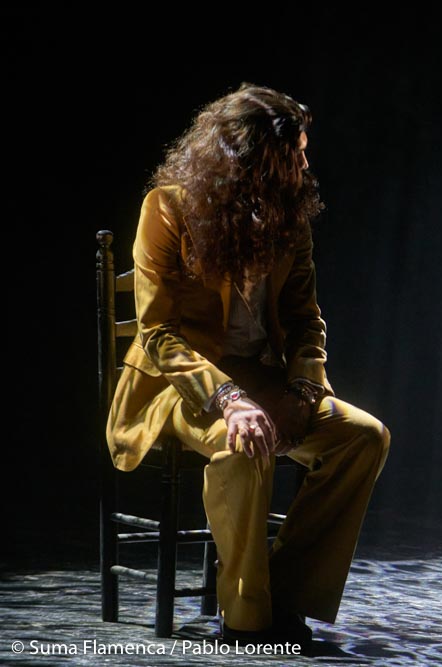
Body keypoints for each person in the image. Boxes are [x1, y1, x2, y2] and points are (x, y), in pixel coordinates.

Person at [106, 84, 390, 647]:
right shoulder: (168, 207)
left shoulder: (291, 220)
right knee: (243, 445)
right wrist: (232, 401)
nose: (306, 163)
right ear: (252, 157)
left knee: (363, 437)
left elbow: (307, 321)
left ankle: (286, 596)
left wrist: (303, 392)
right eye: (296, 153)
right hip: (182, 385)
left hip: (265, 379)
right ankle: (246, 623)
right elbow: (158, 333)